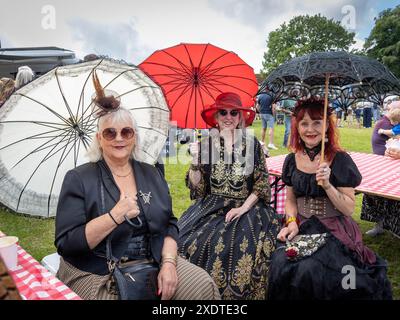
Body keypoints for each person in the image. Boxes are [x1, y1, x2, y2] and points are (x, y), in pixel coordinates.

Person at [55, 73, 220, 300]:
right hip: (97, 268)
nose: (119, 138)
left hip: (152, 259)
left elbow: (170, 225)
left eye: (126, 132)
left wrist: (170, 263)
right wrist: (115, 216)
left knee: (200, 285)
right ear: (99, 138)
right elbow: (68, 244)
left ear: (134, 137)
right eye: (110, 132)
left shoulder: (150, 172)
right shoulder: (79, 178)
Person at [268, 98, 392, 300]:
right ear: (297, 127)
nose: (310, 129)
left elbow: (348, 209)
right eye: (304, 123)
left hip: (333, 227)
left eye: (317, 122)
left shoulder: (340, 159)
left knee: (316, 271)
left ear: (327, 125)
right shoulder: (291, 159)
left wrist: (327, 185)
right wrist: (291, 222)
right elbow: (290, 199)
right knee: (282, 264)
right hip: (301, 224)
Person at [178, 92, 280, 300]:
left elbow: (261, 185)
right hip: (210, 206)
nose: (228, 117)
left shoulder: (252, 145)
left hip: (247, 207)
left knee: (241, 247)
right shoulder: (206, 144)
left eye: (234, 113)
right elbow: (197, 189)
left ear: (241, 117)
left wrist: (243, 209)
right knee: (188, 242)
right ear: (215, 117)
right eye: (223, 112)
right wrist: (196, 160)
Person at [362, 101, 400, 237]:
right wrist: (389, 151)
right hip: (388, 164)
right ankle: (380, 224)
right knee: (373, 188)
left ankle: (395, 227)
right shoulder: (386, 123)